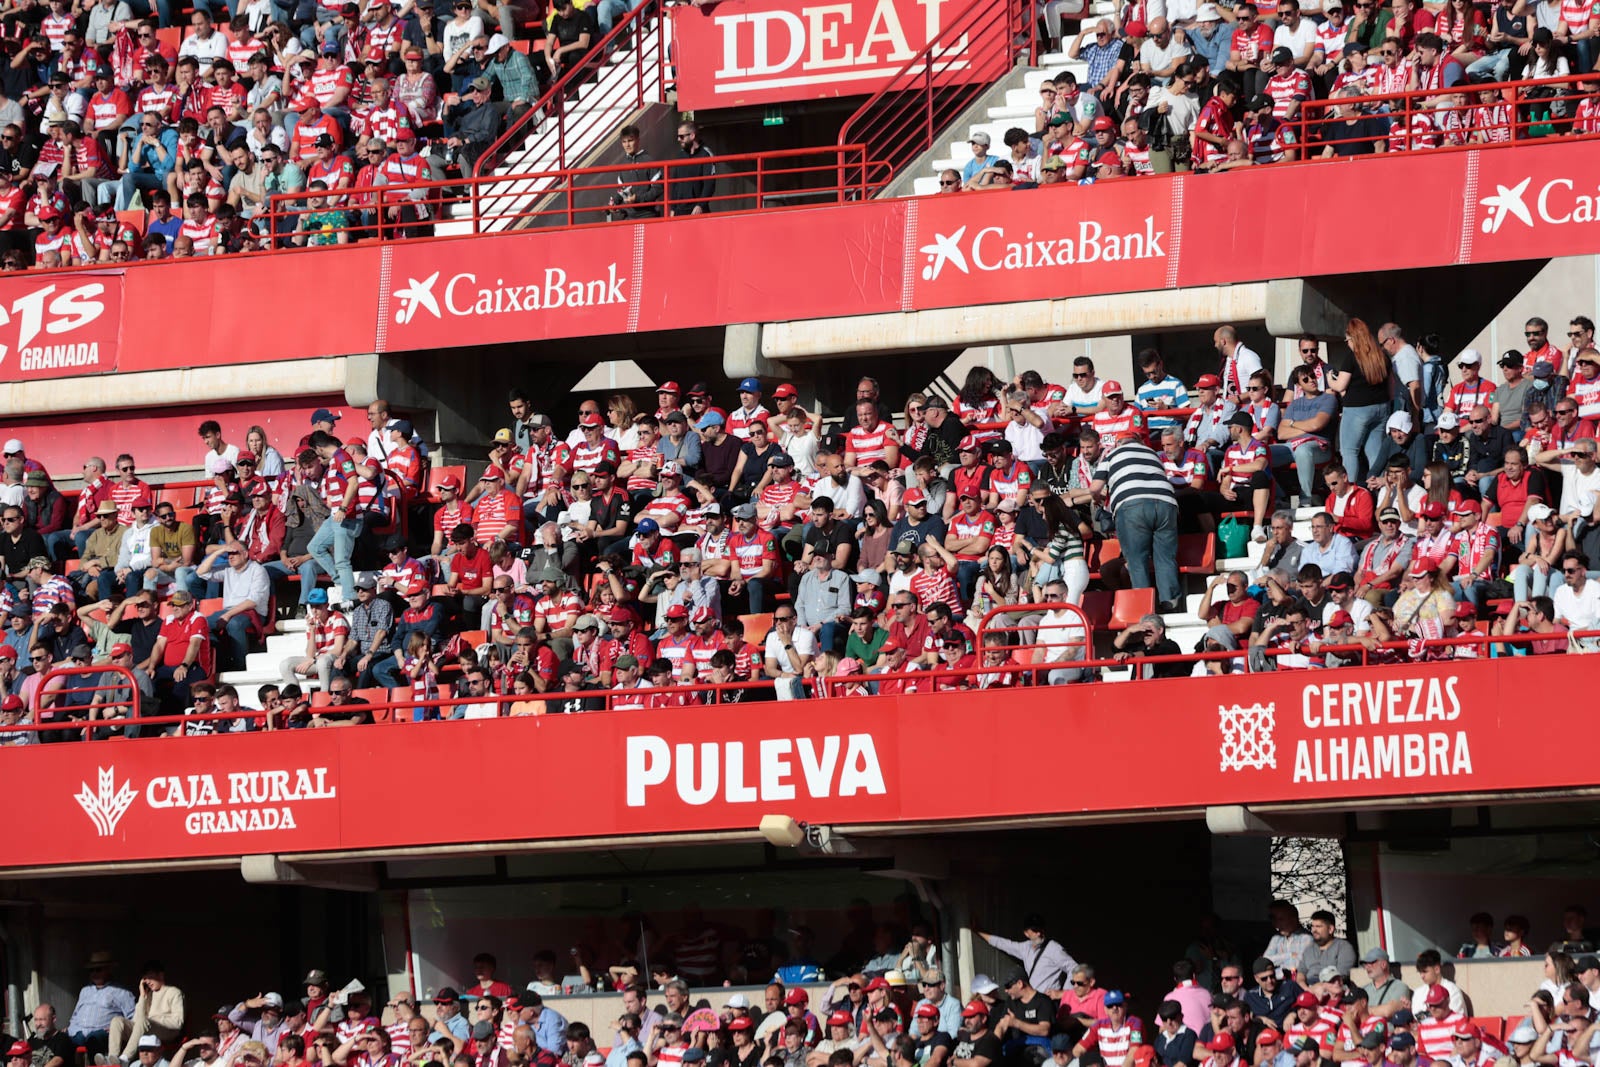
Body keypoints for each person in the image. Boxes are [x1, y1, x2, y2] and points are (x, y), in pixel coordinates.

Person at [1090, 438, 1183, 612]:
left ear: (1118, 444)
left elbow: (1095, 488)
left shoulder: (1112, 454)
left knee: (1137, 561)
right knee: (1165, 559)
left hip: (1132, 505)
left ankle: (1144, 609)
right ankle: (1171, 604)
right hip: (1167, 504)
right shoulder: (1152, 454)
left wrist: (1097, 500)